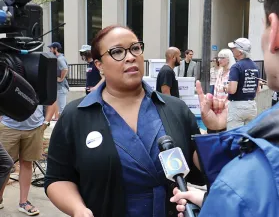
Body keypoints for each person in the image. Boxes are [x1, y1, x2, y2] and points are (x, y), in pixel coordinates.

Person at [45, 25, 205, 217]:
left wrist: (215, 129)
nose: (130, 57)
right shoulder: (75, 116)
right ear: (99, 65)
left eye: (135, 48)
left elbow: (202, 170)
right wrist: (78, 209)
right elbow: (58, 178)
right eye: (117, 52)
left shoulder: (175, 109)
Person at [170, 0, 279, 216]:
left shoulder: (243, 183)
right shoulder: (252, 67)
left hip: (236, 107)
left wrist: (221, 200)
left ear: (276, 32)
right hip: (251, 106)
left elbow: (244, 194)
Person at [0, 105, 53, 215]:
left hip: (35, 128)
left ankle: (23, 203)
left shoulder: (43, 86)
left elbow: (52, 100)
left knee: (27, 163)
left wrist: (46, 122)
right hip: (7, 127)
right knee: (3, 166)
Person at [225, 38, 260, 130]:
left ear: (240, 52)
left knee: (234, 137)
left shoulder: (236, 67)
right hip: (251, 105)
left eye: (234, 48)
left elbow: (232, 90)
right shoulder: (255, 66)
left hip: (237, 106)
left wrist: (225, 88)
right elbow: (258, 89)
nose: (232, 50)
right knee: (248, 136)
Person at [207, 49, 235, 134]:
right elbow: (216, 89)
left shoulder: (233, 73)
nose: (219, 60)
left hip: (227, 108)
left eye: (222, 58)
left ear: (229, 59)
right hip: (217, 107)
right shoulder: (220, 71)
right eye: (219, 58)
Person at [48, 42, 69, 121]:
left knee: (62, 108)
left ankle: (63, 123)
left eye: (51, 48)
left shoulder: (60, 59)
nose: (50, 50)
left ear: (55, 49)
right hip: (58, 87)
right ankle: (57, 117)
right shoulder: (58, 58)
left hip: (61, 87)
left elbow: (65, 69)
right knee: (58, 104)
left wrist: (61, 78)